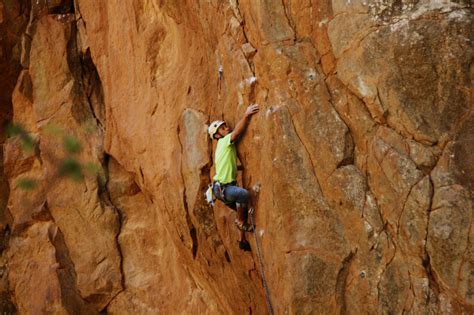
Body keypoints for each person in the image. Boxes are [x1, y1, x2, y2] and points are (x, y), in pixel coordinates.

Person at [208, 104, 259, 251]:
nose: (226, 128)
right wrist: (247, 115)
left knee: (241, 210)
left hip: (221, 189)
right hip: (224, 189)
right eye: (222, 129)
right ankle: (240, 221)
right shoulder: (224, 142)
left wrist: (242, 167)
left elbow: (228, 166)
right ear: (217, 136)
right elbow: (237, 133)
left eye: (225, 126)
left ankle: (242, 240)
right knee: (243, 195)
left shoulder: (221, 148)